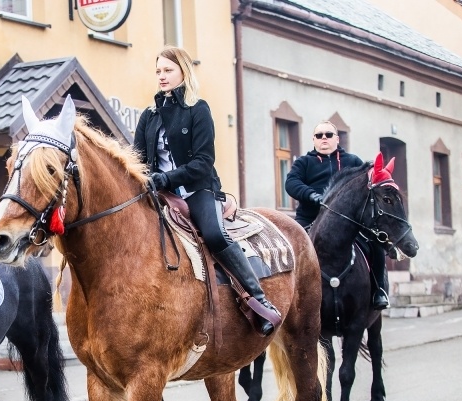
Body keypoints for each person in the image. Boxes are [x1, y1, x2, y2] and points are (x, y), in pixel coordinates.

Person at [134, 46, 280, 337]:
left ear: (183, 72)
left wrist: (166, 178)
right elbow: (136, 157)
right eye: (158, 71)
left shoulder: (198, 109)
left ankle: (258, 301)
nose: (162, 76)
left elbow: (203, 162)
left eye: (168, 70)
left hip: (196, 189)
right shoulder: (149, 116)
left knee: (214, 234)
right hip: (158, 193)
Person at [285, 122, 388, 310]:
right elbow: (291, 183)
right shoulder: (304, 163)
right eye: (319, 135)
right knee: (291, 248)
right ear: (314, 140)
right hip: (311, 218)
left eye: (329, 134)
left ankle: (379, 289)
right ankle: (291, 298)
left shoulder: (352, 161)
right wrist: (311, 195)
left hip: (349, 223)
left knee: (375, 244)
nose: (324, 138)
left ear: (337, 139)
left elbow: (368, 180)